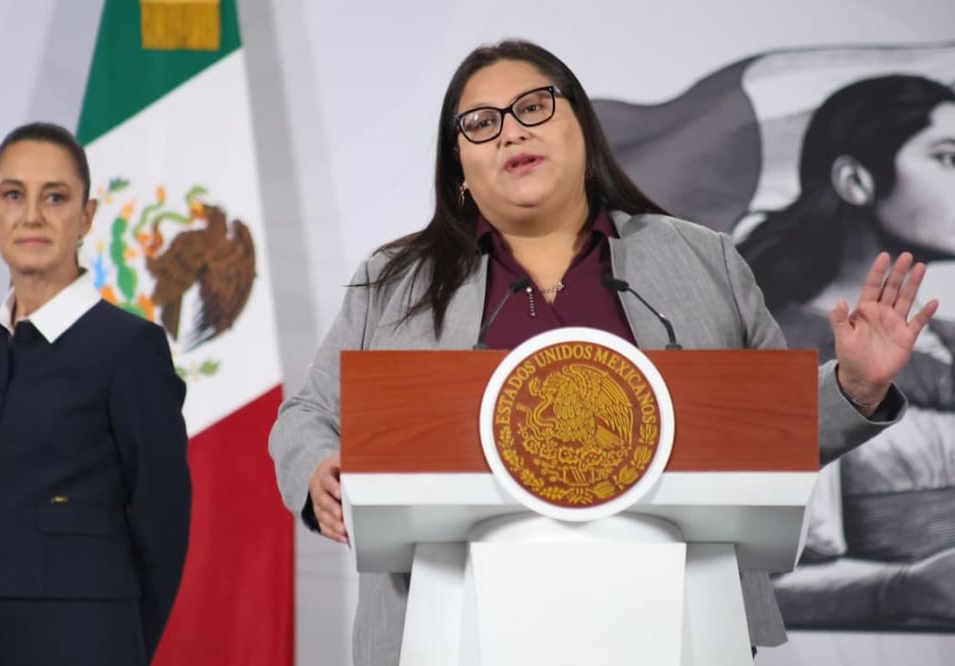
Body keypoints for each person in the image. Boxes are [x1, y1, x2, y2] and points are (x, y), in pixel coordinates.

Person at [268, 40, 938, 664]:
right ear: (461, 171)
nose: (511, 130)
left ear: (582, 129)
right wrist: (319, 466)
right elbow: (307, 414)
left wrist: (856, 387)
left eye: (533, 107)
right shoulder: (395, 281)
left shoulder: (703, 261)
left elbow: (770, 432)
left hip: (676, 619)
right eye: (481, 123)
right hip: (450, 619)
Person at [0, 122, 192, 666]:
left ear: (87, 215)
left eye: (55, 197)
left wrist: (124, 643)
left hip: (84, 631)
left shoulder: (130, 347)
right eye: (13, 195)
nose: (32, 215)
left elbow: (163, 519)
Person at [737, 74, 955, 629]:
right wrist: (898, 590)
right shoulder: (766, 347)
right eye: (948, 159)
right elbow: (738, 580)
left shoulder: (943, 339)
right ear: (856, 180)